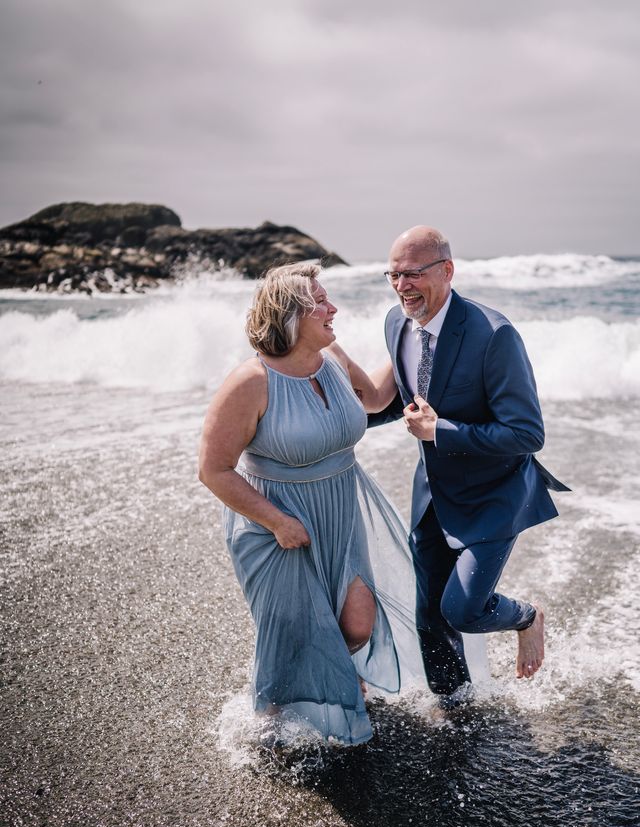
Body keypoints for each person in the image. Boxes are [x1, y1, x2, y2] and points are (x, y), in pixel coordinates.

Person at [198, 262, 424, 746]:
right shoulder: (251, 382)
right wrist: (277, 521)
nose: (332, 308)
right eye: (319, 302)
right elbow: (213, 470)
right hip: (274, 525)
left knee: (357, 624)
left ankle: (330, 679)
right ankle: (269, 728)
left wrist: (412, 331)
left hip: (341, 509)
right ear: (288, 316)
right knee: (292, 635)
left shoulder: (333, 355)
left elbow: (377, 396)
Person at [372, 226, 569, 706]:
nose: (402, 286)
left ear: (447, 270)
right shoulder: (396, 324)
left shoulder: (493, 335)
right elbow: (394, 400)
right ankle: (456, 706)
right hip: (433, 496)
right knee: (429, 619)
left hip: (494, 497)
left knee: (461, 610)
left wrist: (441, 431)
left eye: (413, 274)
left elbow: (526, 434)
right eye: (394, 274)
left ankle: (527, 616)